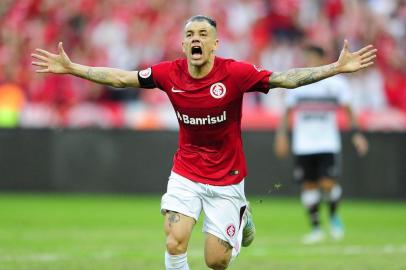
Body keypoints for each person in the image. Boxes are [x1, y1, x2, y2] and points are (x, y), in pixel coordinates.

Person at [32, 15, 376, 270]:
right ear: (184, 45)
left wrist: (334, 68)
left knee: (216, 262)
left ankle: (242, 218)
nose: (195, 39)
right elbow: (122, 78)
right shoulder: (169, 73)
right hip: (186, 172)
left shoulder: (236, 73)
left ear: (214, 44)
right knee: (174, 240)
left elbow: (285, 79)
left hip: (227, 178)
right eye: (189, 34)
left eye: (203, 34)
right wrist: (73, 68)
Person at [274, 45, 369, 244]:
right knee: (308, 186)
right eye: (306, 57)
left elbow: (349, 110)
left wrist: (356, 134)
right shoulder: (298, 81)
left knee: (327, 184)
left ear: (321, 58)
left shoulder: (337, 83)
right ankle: (316, 228)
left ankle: (334, 218)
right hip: (303, 144)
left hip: (327, 143)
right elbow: (287, 112)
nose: (308, 61)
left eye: (311, 57)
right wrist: (281, 135)